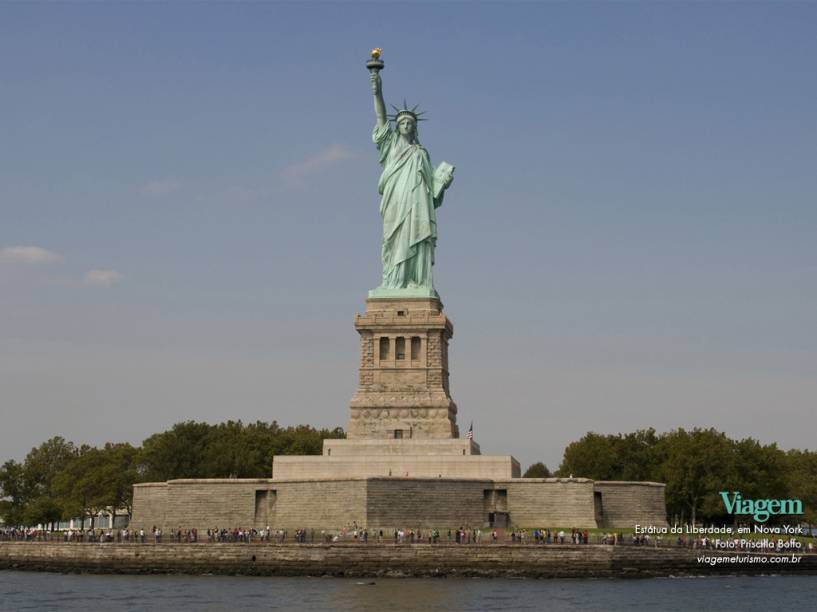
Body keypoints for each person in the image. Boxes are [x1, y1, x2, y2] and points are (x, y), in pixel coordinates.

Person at [369, 69, 454, 293]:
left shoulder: (421, 153)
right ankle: (393, 282)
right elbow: (380, 116)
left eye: (410, 123)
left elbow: (431, 190)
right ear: (397, 127)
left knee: (416, 237)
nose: (406, 126)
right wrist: (377, 91)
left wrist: (442, 184)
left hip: (417, 204)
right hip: (396, 199)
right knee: (394, 239)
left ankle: (417, 281)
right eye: (402, 123)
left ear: (414, 128)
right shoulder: (391, 144)